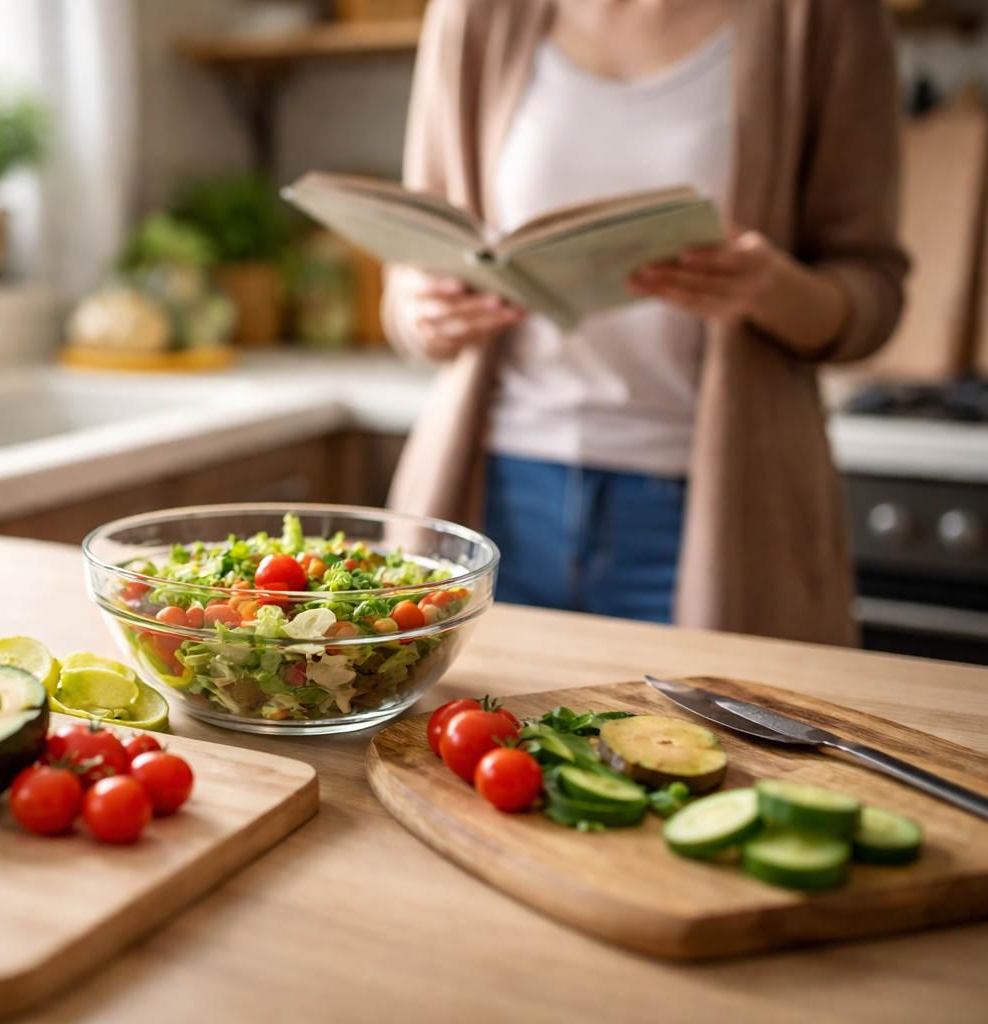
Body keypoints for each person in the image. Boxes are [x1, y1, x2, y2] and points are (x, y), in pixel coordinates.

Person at [381, 0, 908, 644]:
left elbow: (873, 294)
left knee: (724, 740)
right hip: (492, 491)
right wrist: (423, 312)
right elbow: (413, 270)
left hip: (716, 513)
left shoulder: (825, 18)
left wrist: (772, 289)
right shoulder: (474, 13)